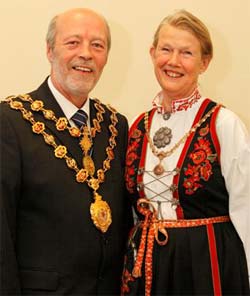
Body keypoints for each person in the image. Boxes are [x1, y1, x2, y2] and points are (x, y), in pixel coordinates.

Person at [0, 8, 133, 295]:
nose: (86, 54)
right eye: (73, 42)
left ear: (106, 58)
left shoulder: (115, 126)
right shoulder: (10, 121)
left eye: (97, 45)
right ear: (50, 51)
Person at [121, 9, 250, 296]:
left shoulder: (223, 124)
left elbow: (247, 208)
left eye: (187, 53)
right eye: (166, 49)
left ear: (205, 62)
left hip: (207, 265)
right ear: (153, 53)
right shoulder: (137, 127)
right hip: (148, 266)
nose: (173, 61)